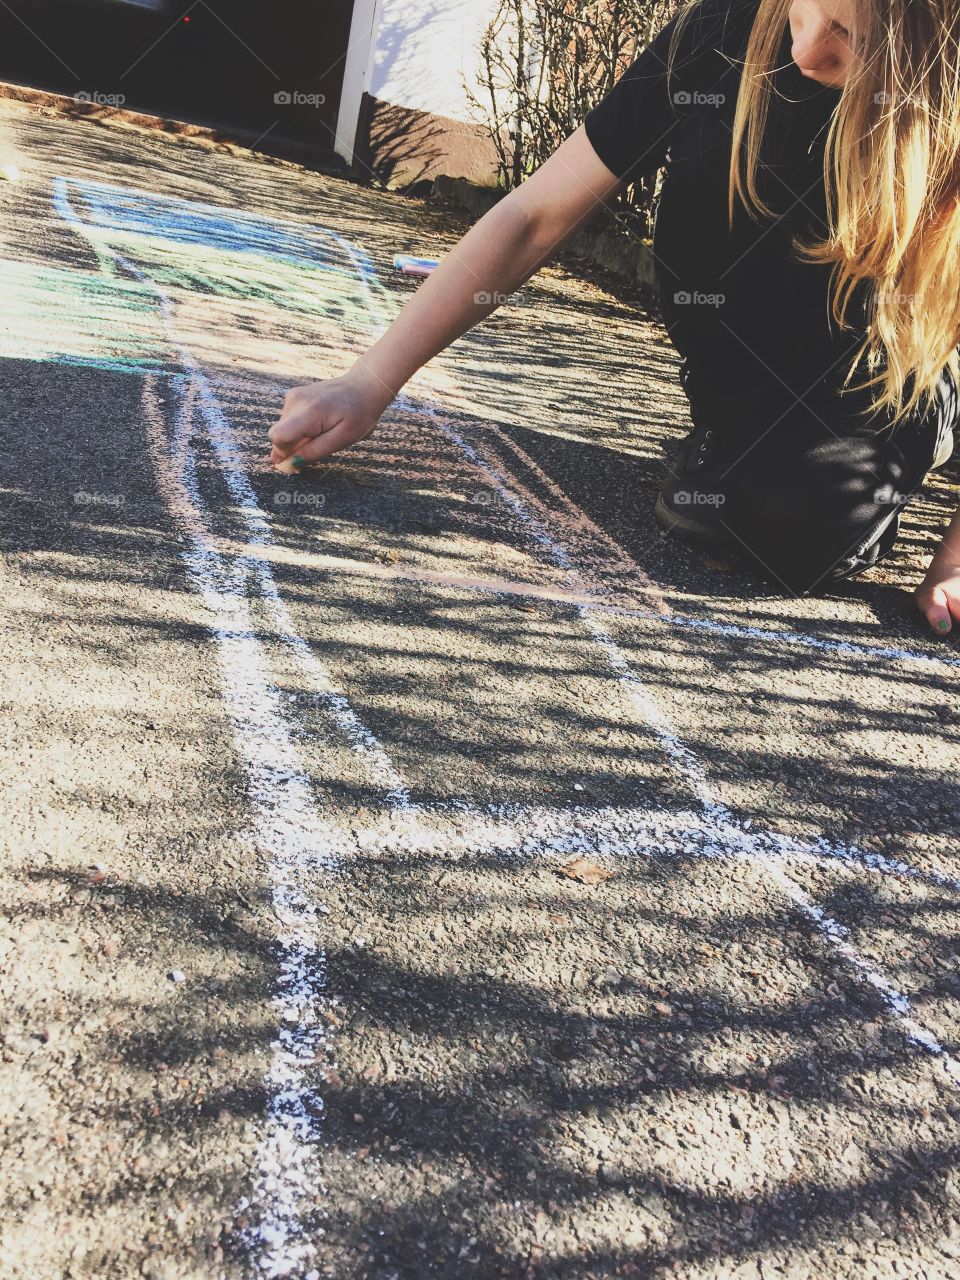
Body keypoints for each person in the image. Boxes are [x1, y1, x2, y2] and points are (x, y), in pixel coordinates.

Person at [267, 0, 960, 636]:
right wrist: (369, 381)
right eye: (804, 10)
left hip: (891, 370)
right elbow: (533, 215)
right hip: (745, 364)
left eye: (849, 35)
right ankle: (731, 430)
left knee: (797, 531)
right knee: (733, 493)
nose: (805, 51)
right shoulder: (722, 30)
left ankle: (928, 425)